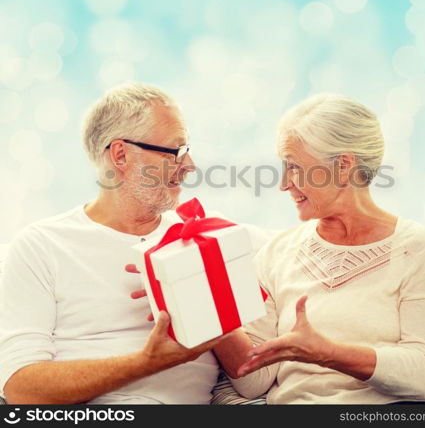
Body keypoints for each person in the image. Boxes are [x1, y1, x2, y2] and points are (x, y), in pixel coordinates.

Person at [0, 82, 263, 405]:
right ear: (121, 154)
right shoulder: (41, 245)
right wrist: (146, 362)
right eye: (176, 151)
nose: (190, 166)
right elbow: (20, 388)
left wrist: (205, 298)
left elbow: (252, 381)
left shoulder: (200, 236)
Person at [228, 94, 425, 404]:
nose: (283, 183)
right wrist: (204, 313)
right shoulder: (276, 254)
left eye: (294, 166)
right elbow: (252, 380)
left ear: (343, 165)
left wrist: (328, 354)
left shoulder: (419, 249)